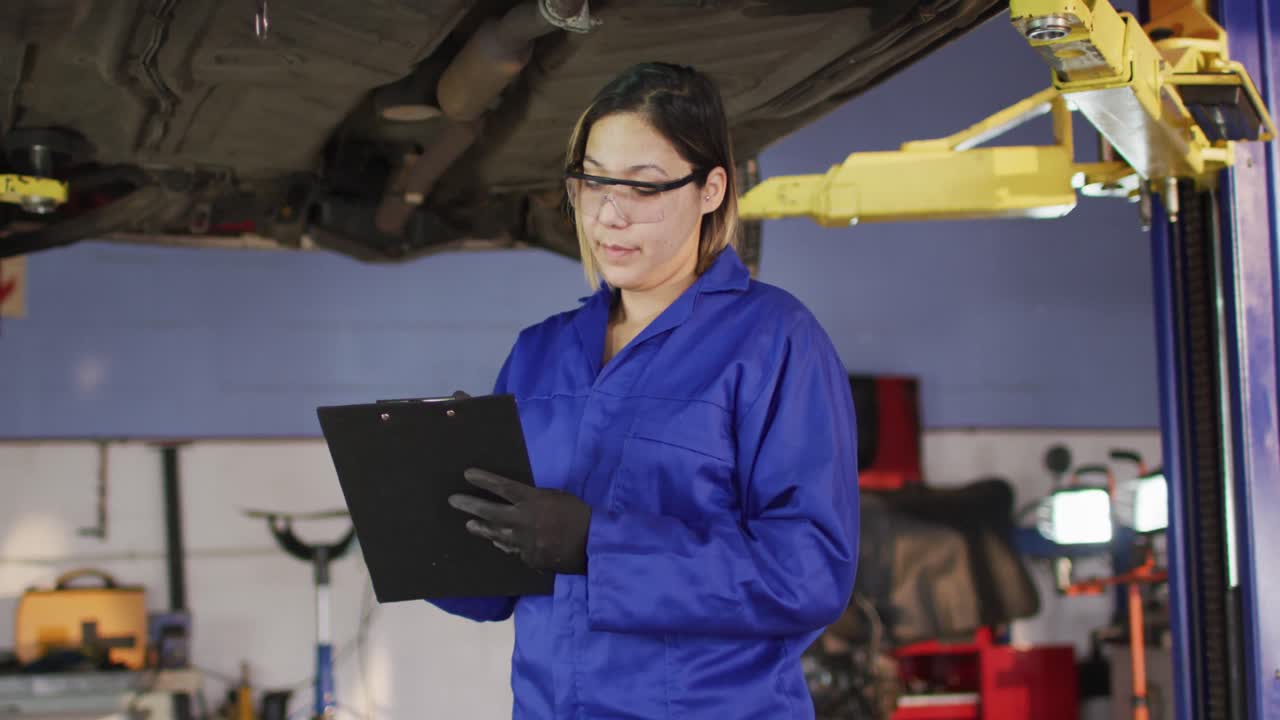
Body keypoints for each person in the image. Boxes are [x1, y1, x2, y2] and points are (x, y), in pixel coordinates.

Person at [438, 61, 860, 719]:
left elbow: (808, 573)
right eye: (593, 182)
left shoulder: (774, 341)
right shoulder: (539, 354)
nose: (609, 215)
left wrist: (597, 546)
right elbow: (493, 591)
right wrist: (428, 507)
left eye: (644, 187)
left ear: (712, 188)